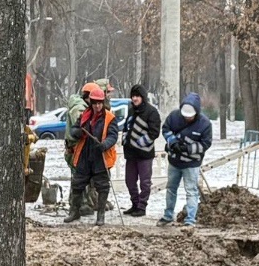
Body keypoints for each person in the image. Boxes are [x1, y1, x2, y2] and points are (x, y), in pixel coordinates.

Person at [65, 81, 120, 223]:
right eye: (95, 103)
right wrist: (78, 132)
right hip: (84, 155)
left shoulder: (110, 118)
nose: (97, 106)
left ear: (103, 102)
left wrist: (104, 144)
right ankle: (74, 211)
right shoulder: (84, 115)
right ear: (91, 103)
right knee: (77, 184)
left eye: (99, 103)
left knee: (103, 186)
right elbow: (74, 130)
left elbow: (113, 136)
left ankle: (100, 216)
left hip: (100, 156)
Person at [159, 91, 213, 227]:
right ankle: (168, 215)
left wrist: (188, 149)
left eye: (190, 117)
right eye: (185, 116)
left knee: (191, 191)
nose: (187, 119)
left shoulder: (205, 124)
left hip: (191, 164)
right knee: (171, 188)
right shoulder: (174, 116)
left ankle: (190, 219)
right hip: (174, 161)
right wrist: (173, 142)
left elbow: (206, 143)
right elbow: (165, 129)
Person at [121, 83, 162, 218]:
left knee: (145, 182)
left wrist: (139, 143)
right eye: (133, 96)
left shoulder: (152, 112)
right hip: (130, 154)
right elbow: (126, 127)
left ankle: (142, 206)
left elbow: (154, 132)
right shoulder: (131, 110)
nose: (135, 98)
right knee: (130, 181)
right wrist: (125, 140)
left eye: (137, 96)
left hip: (145, 154)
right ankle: (135, 203)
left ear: (143, 97)